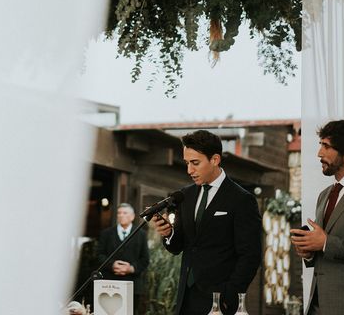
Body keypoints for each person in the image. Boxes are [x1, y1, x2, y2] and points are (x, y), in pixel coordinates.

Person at [154, 129, 262, 315]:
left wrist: (230, 295)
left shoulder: (241, 199)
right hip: (185, 299)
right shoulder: (185, 195)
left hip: (220, 301)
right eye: (187, 163)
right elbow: (179, 246)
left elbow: (250, 255)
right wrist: (168, 234)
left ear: (215, 160)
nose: (189, 170)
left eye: (195, 163)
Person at [290, 119, 344, 315]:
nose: (319, 153)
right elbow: (322, 248)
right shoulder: (325, 195)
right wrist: (309, 250)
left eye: (326, 146)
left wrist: (326, 243)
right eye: (320, 145)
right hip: (317, 305)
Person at [96, 203, 149, 315]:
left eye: (125, 213)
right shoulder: (106, 234)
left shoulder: (141, 234)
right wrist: (112, 265)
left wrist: (131, 268)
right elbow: (99, 255)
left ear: (132, 216)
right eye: (119, 213)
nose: (121, 215)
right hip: (109, 284)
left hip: (133, 285)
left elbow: (145, 259)